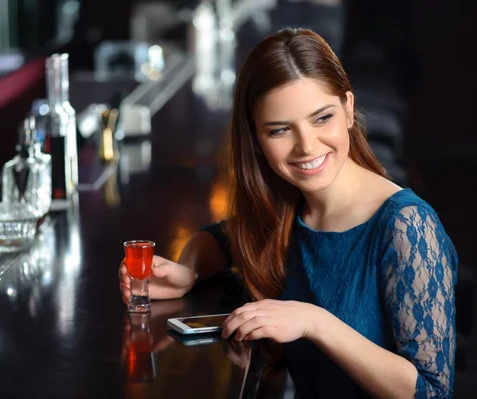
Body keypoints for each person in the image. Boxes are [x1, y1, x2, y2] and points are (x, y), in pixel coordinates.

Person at [118, 28, 457, 398]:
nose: (307, 146)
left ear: (348, 109)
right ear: (256, 140)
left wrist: (315, 322)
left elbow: (433, 391)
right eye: (280, 130)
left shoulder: (407, 227)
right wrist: (188, 272)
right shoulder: (289, 208)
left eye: (321, 118)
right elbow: (223, 237)